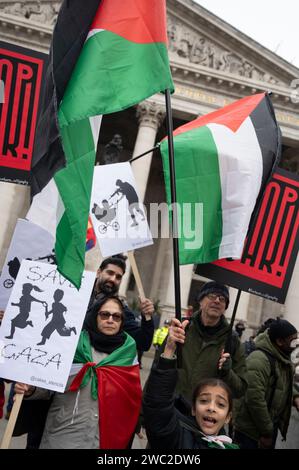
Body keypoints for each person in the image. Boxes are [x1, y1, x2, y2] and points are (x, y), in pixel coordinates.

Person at [15, 295, 142, 449]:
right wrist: (30, 389)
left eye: (116, 317)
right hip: (63, 435)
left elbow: (131, 397)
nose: (110, 320)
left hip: (103, 439)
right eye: (104, 314)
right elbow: (47, 385)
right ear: (94, 316)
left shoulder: (128, 353)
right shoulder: (71, 344)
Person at [143, 318, 239, 449]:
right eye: (204, 401)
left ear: (228, 417)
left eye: (221, 404)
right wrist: (170, 350)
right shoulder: (175, 436)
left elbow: (241, 386)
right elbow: (157, 404)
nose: (211, 408)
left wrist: (228, 371)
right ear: (193, 409)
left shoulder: (227, 446)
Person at [170, 281, 247, 403]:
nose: (217, 301)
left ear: (225, 307)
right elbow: (159, 367)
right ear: (200, 301)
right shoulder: (181, 328)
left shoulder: (232, 341)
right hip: (171, 409)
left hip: (205, 415)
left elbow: (240, 390)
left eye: (222, 299)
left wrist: (228, 372)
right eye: (211, 296)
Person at [234, 318, 299, 449]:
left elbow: (284, 383)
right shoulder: (259, 360)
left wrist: (295, 396)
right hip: (251, 433)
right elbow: (254, 398)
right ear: (280, 341)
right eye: (293, 340)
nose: (296, 344)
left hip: (267, 429)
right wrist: (267, 431)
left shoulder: (281, 357)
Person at [91, 254, 155, 352]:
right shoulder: (78, 293)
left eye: (118, 277)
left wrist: (147, 317)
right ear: (99, 272)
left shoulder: (121, 310)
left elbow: (143, 343)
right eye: (110, 273)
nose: (113, 279)